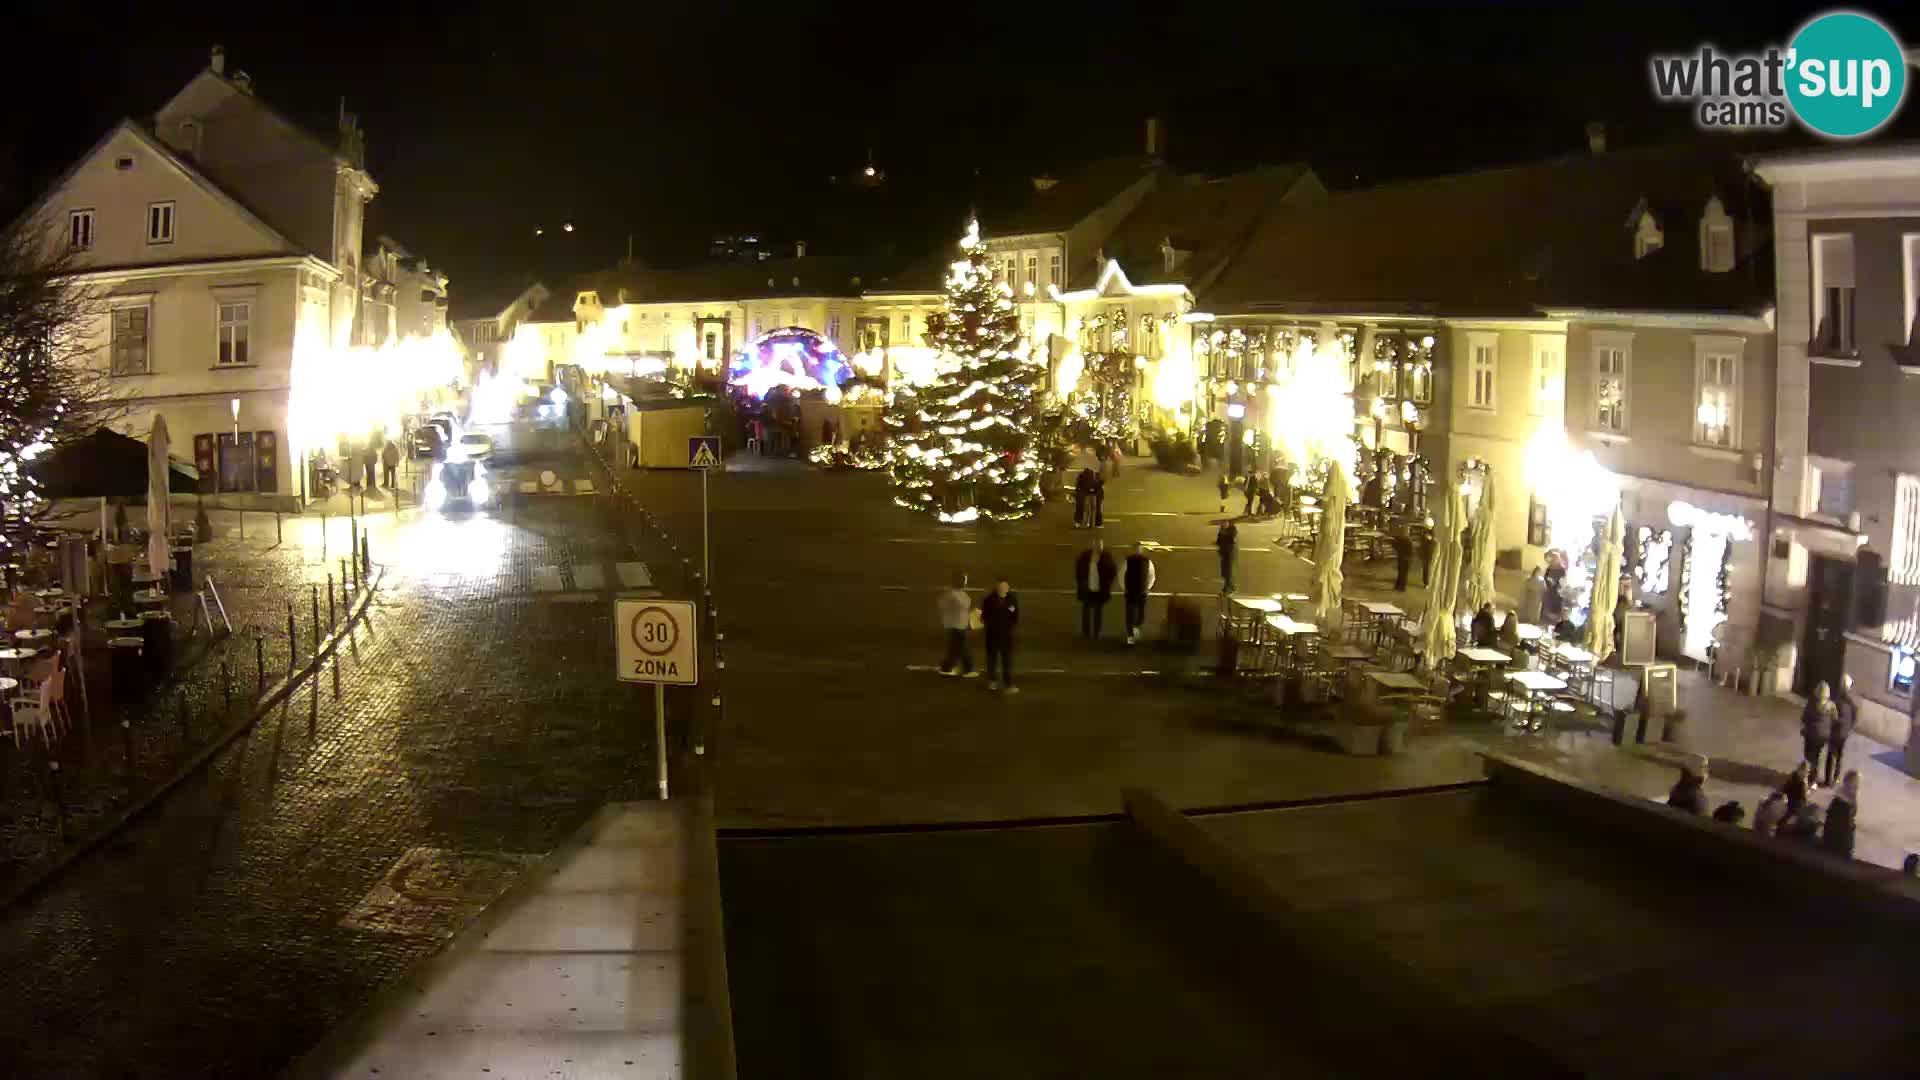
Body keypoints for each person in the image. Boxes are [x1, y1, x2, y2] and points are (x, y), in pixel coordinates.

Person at [979, 577, 1019, 693]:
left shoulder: (1012, 599)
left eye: (1005, 587)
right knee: (992, 660)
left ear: (1008, 588)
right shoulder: (988, 600)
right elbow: (984, 616)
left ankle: (1008, 683)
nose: (1003, 589)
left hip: (1006, 636)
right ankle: (992, 681)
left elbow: (1015, 616)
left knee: (1007, 661)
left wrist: (1009, 628)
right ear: (996, 587)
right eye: (1000, 586)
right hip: (992, 635)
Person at [936, 571, 978, 678]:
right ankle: (967, 669)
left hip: (953, 624)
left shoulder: (950, 594)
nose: (966, 583)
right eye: (965, 580)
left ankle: (947, 667)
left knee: (955, 648)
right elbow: (965, 606)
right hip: (958, 625)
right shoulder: (958, 595)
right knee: (962, 648)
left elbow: (941, 604)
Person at [1074, 540, 1117, 640]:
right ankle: (1086, 633)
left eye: (1099, 546)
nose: (1098, 548)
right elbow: (1079, 570)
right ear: (1093, 546)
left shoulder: (1106, 557)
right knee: (1087, 612)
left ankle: (1096, 633)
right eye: (1096, 546)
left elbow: (1112, 571)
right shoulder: (1085, 556)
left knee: (1097, 613)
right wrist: (1081, 582)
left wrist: (1107, 584)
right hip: (1087, 589)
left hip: (1099, 590)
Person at [1801, 681, 1837, 788]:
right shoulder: (1831, 706)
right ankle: (1813, 778)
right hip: (1824, 736)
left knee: (1809, 755)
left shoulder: (1811, 703)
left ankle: (1807, 775)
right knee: (1818, 756)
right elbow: (1835, 719)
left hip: (1811, 734)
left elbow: (1804, 718)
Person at [1826, 673, 1857, 787]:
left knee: (1831, 755)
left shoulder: (1837, 700)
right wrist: (1849, 728)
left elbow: (1831, 714)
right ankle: (1835, 778)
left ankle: (1828, 779)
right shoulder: (1851, 703)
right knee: (1839, 756)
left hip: (1835, 732)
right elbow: (1854, 717)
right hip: (1844, 733)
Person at [1822, 769, 1859, 859]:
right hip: (1839, 846)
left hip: (1835, 843)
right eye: (1856, 784)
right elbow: (1844, 827)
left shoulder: (1844, 800)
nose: (1857, 787)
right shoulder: (1843, 805)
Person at [1123, 542, 1156, 645]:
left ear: (1141, 550)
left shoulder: (1147, 561)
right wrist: (1125, 588)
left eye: (1139, 549)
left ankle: (1136, 628)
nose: (1137, 551)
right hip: (1131, 591)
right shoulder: (1128, 561)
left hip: (1141, 592)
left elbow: (1152, 575)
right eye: (1136, 549)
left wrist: (1148, 587)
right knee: (1130, 615)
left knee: (1140, 614)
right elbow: (1121, 574)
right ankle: (1130, 637)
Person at [1216, 519, 1238, 595]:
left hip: (1229, 554)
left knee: (1228, 572)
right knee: (1225, 572)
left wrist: (1223, 535)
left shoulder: (1232, 531)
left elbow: (1232, 540)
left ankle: (1227, 589)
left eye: (1225, 524)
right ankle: (1232, 587)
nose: (1223, 526)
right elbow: (1218, 541)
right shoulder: (1222, 530)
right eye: (1222, 524)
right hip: (1224, 553)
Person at [1390, 524, 1413, 592]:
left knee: (1401, 573)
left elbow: (1394, 545)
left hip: (1402, 558)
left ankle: (1399, 586)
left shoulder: (1400, 539)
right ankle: (1401, 587)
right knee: (1403, 574)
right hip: (1406, 559)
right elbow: (1410, 552)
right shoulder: (1408, 540)